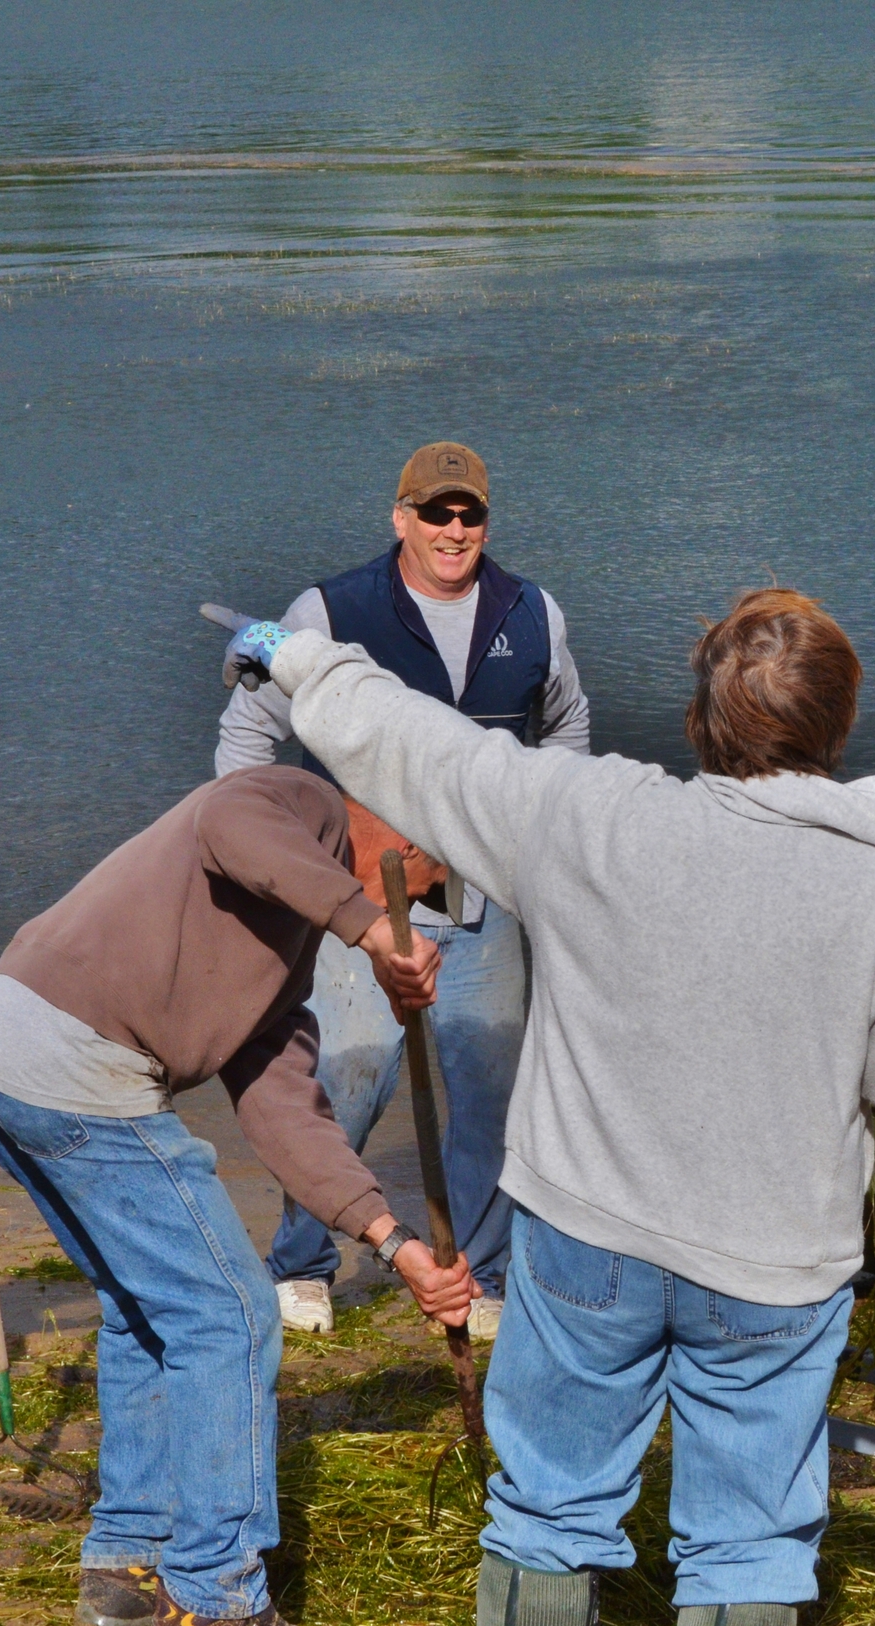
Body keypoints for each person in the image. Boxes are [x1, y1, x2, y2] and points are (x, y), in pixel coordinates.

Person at [210, 588, 875, 1626]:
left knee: (548, 1510)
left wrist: (300, 663)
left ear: (699, 718)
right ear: (839, 726)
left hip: (586, 1241)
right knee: (749, 1542)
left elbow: (421, 749)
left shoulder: (591, 815)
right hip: (774, 1262)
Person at [0, 767, 479, 1626]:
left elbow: (284, 1114)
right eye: (424, 897)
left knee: (149, 1307)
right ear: (407, 845)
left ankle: (127, 1565)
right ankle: (217, 1611)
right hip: (72, 1065)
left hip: (4, 1063)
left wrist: (396, 1246)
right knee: (231, 1315)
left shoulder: (282, 966)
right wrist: (371, 923)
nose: (417, 920)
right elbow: (228, 819)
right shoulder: (291, 803)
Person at [215, 442, 591, 1340]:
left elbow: (568, 727)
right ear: (401, 518)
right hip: (360, 903)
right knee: (346, 1080)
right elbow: (245, 743)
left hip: (485, 898)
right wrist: (283, 867)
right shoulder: (329, 610)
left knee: (490, 1093)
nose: (453, 530)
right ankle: (301, 1265)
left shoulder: (532, 614)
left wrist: (539, 839)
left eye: (469, 514)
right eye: (435, 513)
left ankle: (475, 1274)